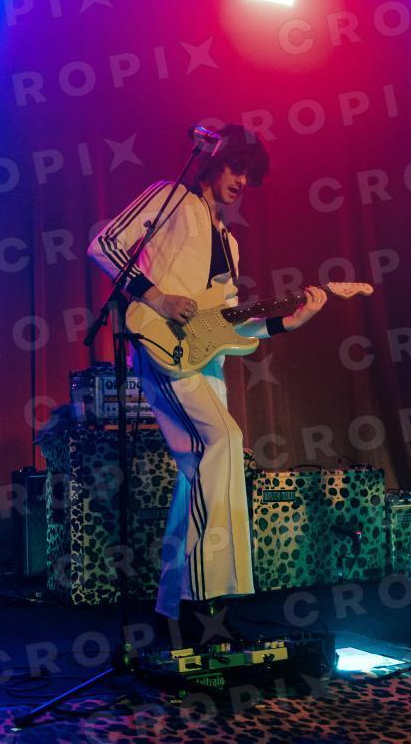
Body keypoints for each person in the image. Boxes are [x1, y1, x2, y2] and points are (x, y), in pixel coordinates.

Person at [88, 124, 328, 628]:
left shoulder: (230, 243)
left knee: (197, 471)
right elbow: (105, 245)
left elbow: (227, 326)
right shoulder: (170, 197)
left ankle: (173, 608)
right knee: (225, 440)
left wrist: (289, 321)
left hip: (207, 360)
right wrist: (157, 297)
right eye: (236, 167)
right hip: (163, 346)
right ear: (215, 161)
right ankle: (206, 601)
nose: (241, 180)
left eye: (249, 174)